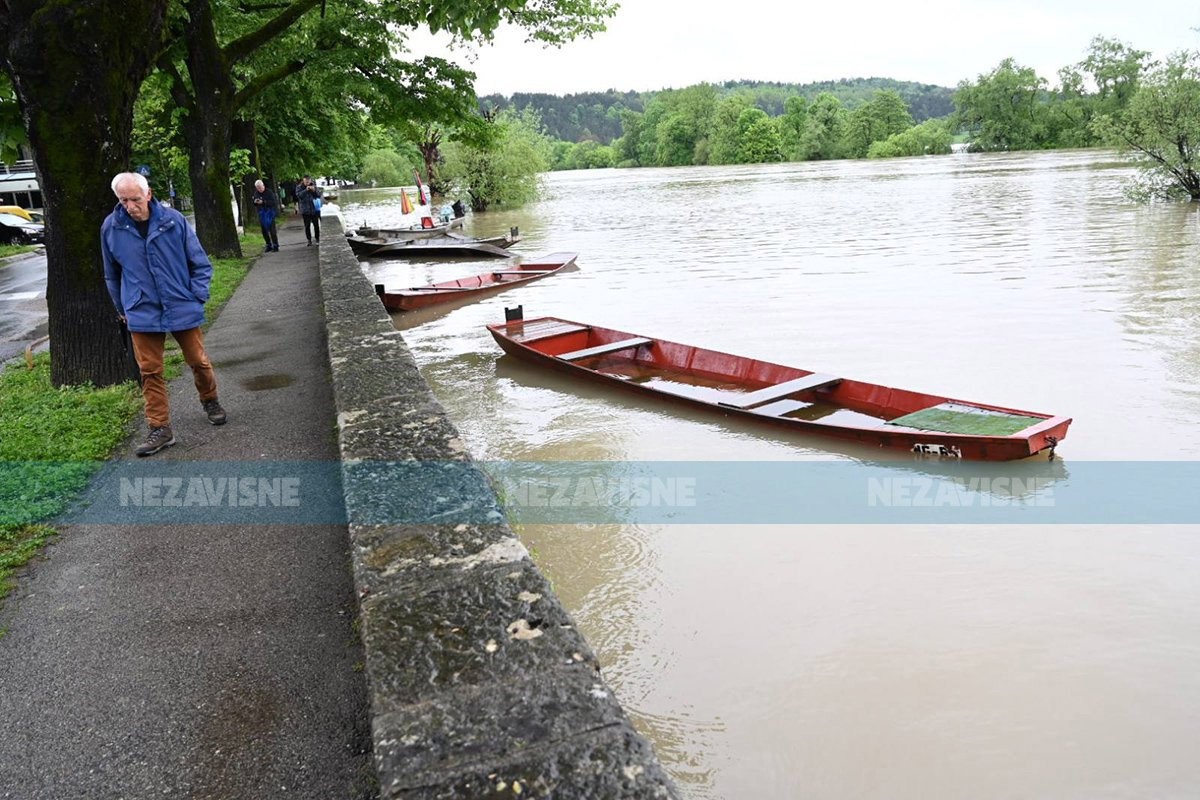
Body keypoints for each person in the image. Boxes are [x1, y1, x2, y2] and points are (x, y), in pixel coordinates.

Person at [101, 171, 227, 457]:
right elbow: (112, 275)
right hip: (141, 308)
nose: (130, 206)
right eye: (123, 200)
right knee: (150, 371)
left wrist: (197, 296)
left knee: (198, 360)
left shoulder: (173, 221)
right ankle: (160, 428)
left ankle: (210, 400)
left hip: (181, 302)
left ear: (148, 194)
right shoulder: (111, 227)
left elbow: (200, 264)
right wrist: (123, 308)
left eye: (135, 199)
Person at [252, 178, 279, 252]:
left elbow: (273, 202)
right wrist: (255, 202)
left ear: (263, 185)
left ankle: (275, 245)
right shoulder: (256, 193)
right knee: (264, 231)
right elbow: (254, 202)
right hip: (262, 214)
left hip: (270, 213)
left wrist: (263, 202)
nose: (259, 189)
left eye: (260, 187)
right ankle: (268, 245)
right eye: (258, 188)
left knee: (272, 230)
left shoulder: (269, 192)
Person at [294, 175, 322, 246]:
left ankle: (317, 239)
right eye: (306, 182)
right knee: (307, 226)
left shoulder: (314, 186)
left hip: (314, 209)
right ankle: (309, 240)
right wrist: (306, 190)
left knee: (316, 225)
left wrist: (314, 191)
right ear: (303, 181)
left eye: (308, 181)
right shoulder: (299, 187)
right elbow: (299, 196)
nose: (307, 183)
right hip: (305, 209)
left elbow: (319, 195)